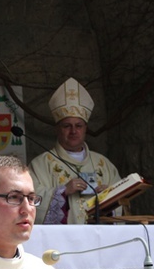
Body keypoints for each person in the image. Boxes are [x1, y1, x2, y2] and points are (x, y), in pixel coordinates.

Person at [29, 78, 121, 224]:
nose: (73, 131)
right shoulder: (40, 164)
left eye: (78, 126)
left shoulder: (104, 164)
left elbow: (122, 205)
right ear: (57, 129)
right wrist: (62, 192)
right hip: (61, 243)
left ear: (85, 129)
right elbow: (31, 203)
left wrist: (109, 198)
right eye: (67, 126)